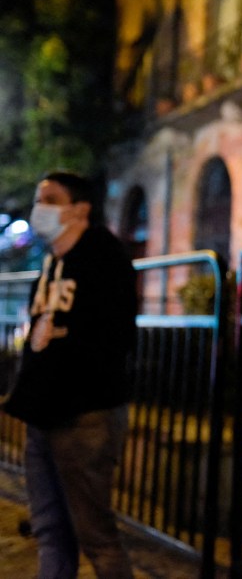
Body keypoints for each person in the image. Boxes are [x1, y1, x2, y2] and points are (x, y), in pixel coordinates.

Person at [3, 171, 136, 579]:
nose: (39, 208)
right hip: (44, 417)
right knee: (50, 531)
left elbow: (112, 338)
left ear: (80, 208)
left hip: (82, 417)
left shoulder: (103, 257)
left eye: (50, 199)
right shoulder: (52, 262)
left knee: (95, 536)